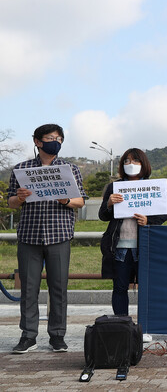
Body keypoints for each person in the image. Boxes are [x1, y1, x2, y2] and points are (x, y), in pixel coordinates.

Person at [8, 124, 87, 354]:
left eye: (59, 138)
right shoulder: (21, 169)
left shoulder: (69, 169)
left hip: (59, 234)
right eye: (50, 138)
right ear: (37, 142)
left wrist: (65, 201)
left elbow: (80, 201)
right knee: (29, 288)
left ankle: (57, 336)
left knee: (59, 288)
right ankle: (28, 335)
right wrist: (19, 198)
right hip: (29, 236)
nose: (55, 141)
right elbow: (10, 203)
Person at [98, 148, 167, 342]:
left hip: (144, 246)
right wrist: (108, 205)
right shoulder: (113, 187)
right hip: (120, 246)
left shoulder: (152, 186)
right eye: (127, 161)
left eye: (135, 161)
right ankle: (122, 327)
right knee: (120, 287)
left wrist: (149, 220)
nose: (131, 165)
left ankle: (144, 328)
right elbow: (102, 216)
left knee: (145, 289)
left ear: (144, 164)